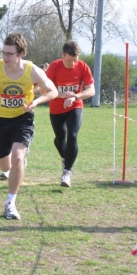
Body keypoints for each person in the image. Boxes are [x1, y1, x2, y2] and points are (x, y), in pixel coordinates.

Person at [0, 33, 57, 220]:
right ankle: (14, 169)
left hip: (22, 119)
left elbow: (53, 90)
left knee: (17, 159)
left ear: (21, 53)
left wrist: (36, 102)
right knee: (6, 166)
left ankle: (10, 203)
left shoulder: (32, 70)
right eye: (3, 53)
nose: (5, 57)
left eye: (10, 54)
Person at [46, 41, 95, 187]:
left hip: (75, 106)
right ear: (63, 55)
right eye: (69, 60)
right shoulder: (54, 67)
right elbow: (44, 91)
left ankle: (67, 172)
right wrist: (62, 95)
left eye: (75, 60)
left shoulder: (83, 66)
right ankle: (65, 157)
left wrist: (74, 97)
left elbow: (91, 90)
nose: (72, 63)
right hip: (56, 109)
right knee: (60, 139)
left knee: (72, 135)